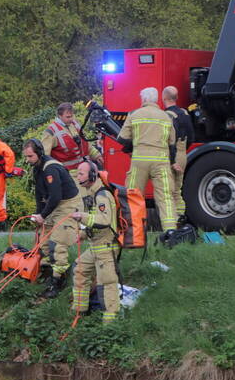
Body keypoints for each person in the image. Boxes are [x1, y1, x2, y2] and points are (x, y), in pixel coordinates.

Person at [23, 139, 82, 299]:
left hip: (67, 204)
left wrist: (43, 215)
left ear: (39, 153)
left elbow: (55, 196)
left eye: (30, 156)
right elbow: (39, 195)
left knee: (57, 243)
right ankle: (47, 273)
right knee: (43, 240)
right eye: (26, 157)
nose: (27, 160)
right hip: (53, 204)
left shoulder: (51, 169)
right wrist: (38, 216)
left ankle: (58, 281)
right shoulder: (37, 168)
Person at [118, 87, 177, 234]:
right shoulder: (166, 117)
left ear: (143, 99)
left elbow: (122, 139)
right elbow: (172, 144)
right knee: (165, 197)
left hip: (139, 161)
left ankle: (134, 232)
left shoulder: (134, 115)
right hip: (161, 162)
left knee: (133, 195)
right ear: (156, 99)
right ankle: (170, 231)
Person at [69, 160, 120, 324]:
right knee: (79, 269)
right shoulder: (91, 193)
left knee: (107, 282)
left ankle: (110, 322)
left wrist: (82, 217)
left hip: (106, 246)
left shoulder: (102, 195)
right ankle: (80, 311)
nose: (78, 177)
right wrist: (83, 234)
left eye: (81, 173)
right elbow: (95, 222)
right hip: (95, 245)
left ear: (92, 175)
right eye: (78, 173)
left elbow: (104, 220)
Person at [41, 102, 101, 179]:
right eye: (68, 117)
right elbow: (45, 157)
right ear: (59, 116)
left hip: (85, 172)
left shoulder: (75, 124)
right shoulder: (50, 132)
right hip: (67, 176)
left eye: (72, 116)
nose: (71, 119)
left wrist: (96, 155)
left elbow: (85, 144)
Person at [163, 86, 193, 223]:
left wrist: (172, 160)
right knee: (177, 191)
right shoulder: (185, 113)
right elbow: (191, 137)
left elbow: (168, 140)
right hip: (182, 155)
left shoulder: (167, 116)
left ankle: (172, 221)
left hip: (172, 156)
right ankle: (181, 218)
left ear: (164, 98)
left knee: (168, 192)